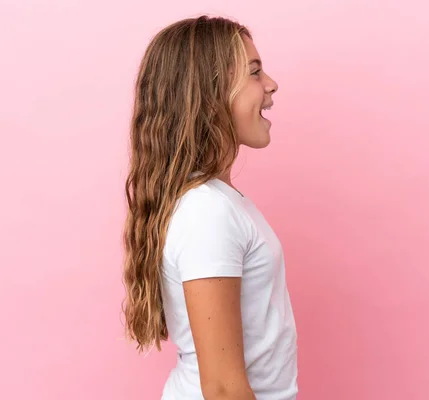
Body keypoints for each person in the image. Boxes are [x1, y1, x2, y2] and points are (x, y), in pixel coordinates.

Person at [122, 15, 298, 400]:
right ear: (212, 93)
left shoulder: (217, 202)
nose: (271, 84)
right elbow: (221, 388)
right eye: (254, 73)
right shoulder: (207, 212)